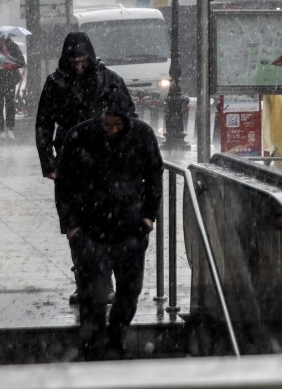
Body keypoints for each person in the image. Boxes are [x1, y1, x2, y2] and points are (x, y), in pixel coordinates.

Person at [55, 88, 163, 361]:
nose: (113, 130)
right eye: (108, 125)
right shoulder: (79, 136)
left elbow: (154, 176)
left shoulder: (142, 135)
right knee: (94, 296)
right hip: (90, 230)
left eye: (119, 125)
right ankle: (93, 348)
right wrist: (71, 227)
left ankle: (116, 341)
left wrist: (149, 217)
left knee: (129, 292)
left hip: (131, 228)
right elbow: (64, 184)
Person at [36, 31, 136, 303]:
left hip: (106, 166)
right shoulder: (55, 83)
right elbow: (44, 124)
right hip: (71, 166)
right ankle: (86, 282)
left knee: (107, 226)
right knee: (76, 229)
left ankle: (106, 283)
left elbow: (130, 120)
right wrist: (49, 163)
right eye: (74, 60)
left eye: (82, 59)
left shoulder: (110, 81)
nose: (79, 64)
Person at [0, 36, 26, 140]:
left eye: (0, 39)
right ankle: (1, 129)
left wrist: (9, 57)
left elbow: (21, 62)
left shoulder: (13, 47)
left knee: (10, 103)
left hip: (10, 80)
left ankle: (10, 128)